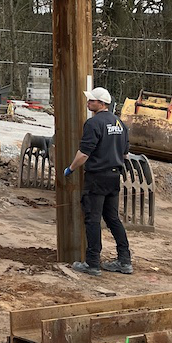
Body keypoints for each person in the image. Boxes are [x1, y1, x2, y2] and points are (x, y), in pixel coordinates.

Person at [63, 86, 133, 277]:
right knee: (112, 219)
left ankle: (92, 263)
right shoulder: (120, 124)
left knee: (92, 219)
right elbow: (125, 153)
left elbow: (84, 153)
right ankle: (124, 260)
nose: (88, 102)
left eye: (91, 100)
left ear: (101, 103)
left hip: (96, 178)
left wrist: (71, 168)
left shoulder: (93, 124)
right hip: (113, 177)